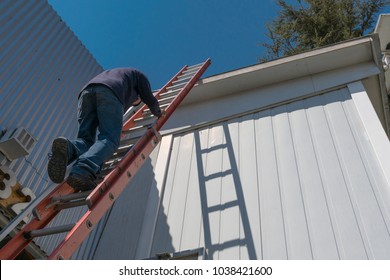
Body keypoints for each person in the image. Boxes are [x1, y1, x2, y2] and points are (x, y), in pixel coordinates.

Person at [47, 68, 162, 191]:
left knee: (86, 140)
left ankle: (68, 148)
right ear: (138, 95)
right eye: (135, 100)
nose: (133, 102)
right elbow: (148, 97)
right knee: (110, 139)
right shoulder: (139, 76)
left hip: (86, 93)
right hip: (110, 92)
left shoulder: (119, 73)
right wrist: (158, 112)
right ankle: (83, 170)